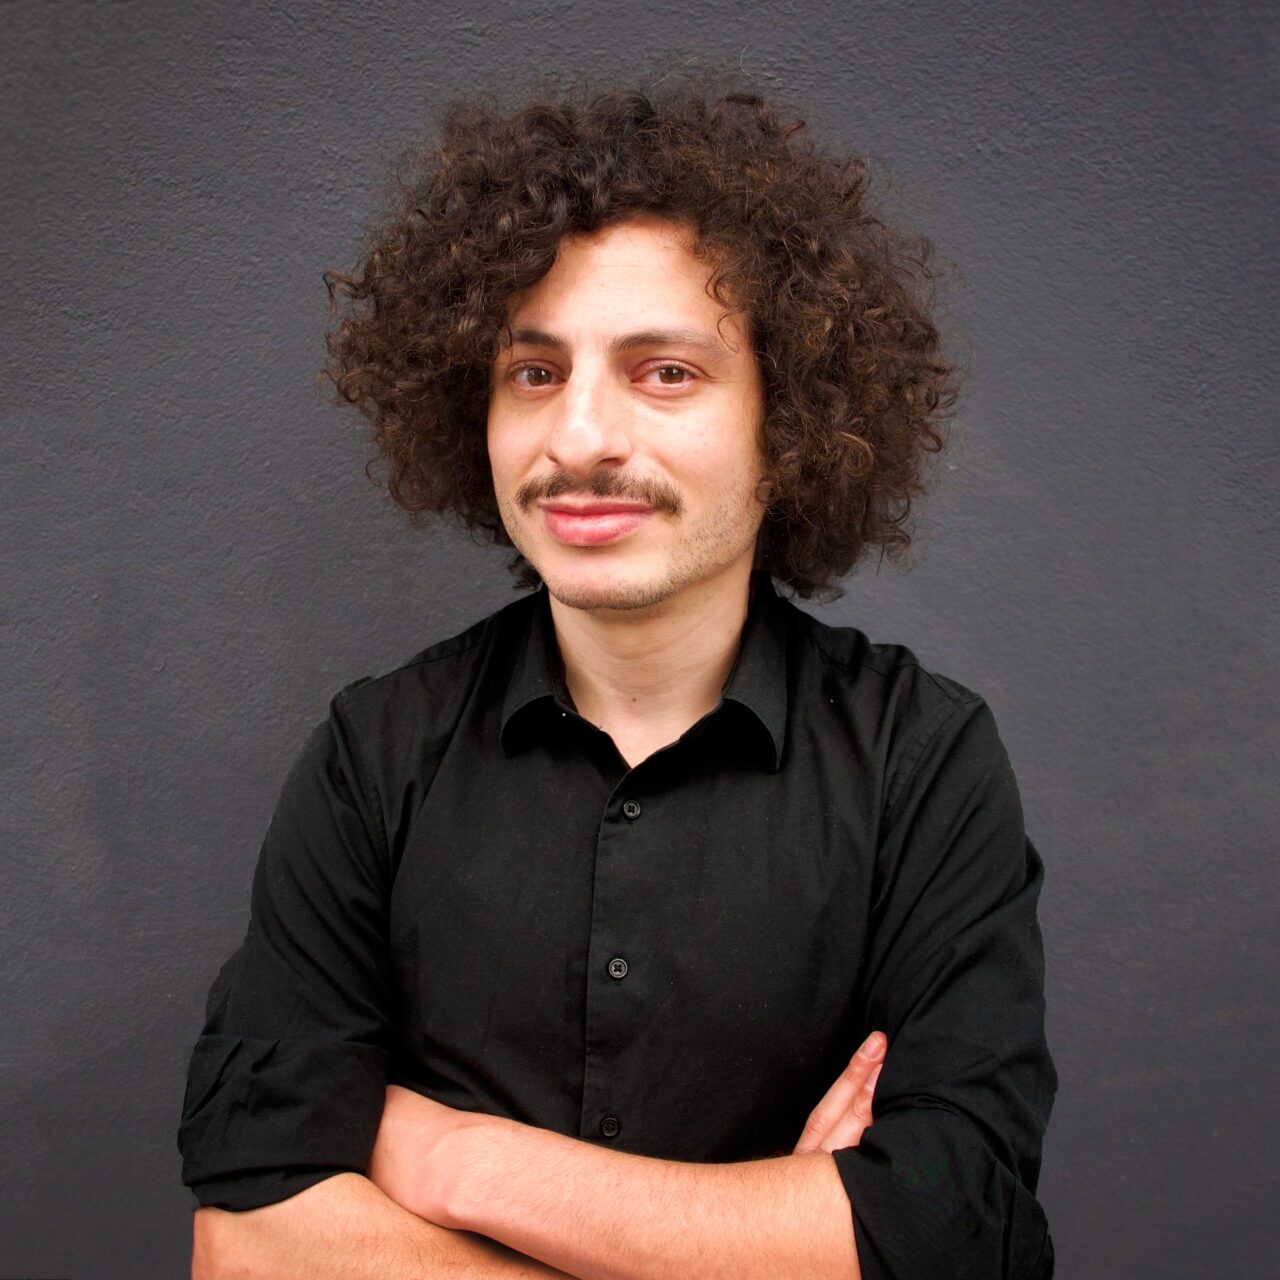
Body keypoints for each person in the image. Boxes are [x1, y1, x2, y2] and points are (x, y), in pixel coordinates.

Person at [178, 75, 1057, 1279]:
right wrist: (773, 1235)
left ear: (788, 422)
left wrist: (457, 1161)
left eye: (664, 372)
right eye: (534, 372)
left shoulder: (922, 760)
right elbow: (246, 1241)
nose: (580, 437)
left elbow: (960, 1236)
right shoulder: (372, 755)